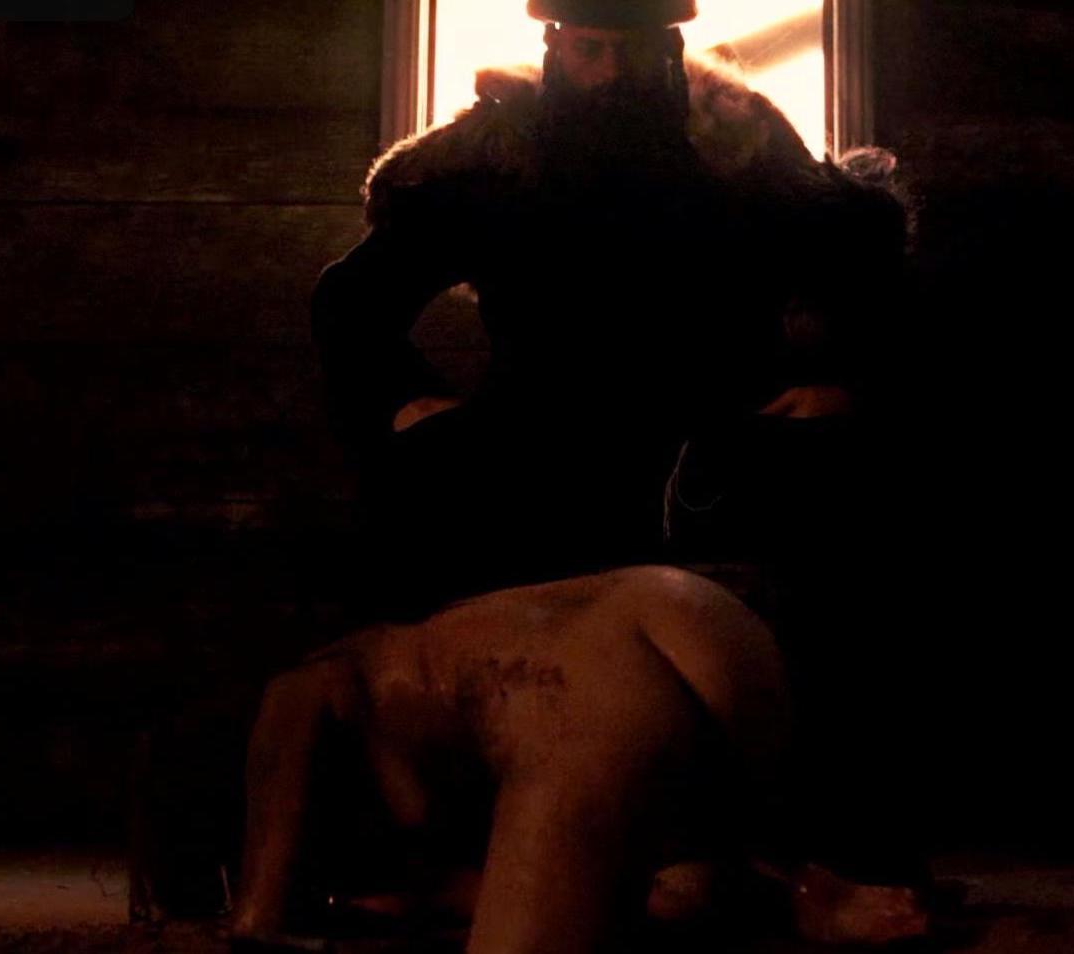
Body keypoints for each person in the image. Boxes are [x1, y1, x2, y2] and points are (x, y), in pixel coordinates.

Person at [233, 1, 912, 949]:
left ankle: (814, 856)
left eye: (629, 52)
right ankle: (467, 854)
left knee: (828, 539)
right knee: (443, 532)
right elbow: (351, 300)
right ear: (554, 48)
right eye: (588, 50)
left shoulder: (736, 142)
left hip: (705, 446)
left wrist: (835, 379)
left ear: (668, 52)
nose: (608, 73)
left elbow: (863, 255)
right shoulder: (500, 156)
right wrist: (403, 401)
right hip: (537, 446)